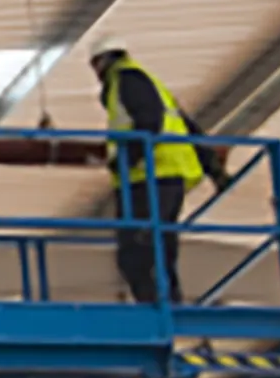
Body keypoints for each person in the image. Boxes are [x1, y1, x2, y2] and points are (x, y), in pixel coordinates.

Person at [88, 37, 229, 305]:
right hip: (170, 177)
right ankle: (169, 305)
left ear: (100, 62)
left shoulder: (126, 80)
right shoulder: (149, 82)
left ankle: (154, 309)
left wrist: (126, 160)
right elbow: (188, 126)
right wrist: (213, 169)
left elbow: (149, 122)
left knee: (136, 252)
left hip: (149, 177)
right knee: (160, 247)